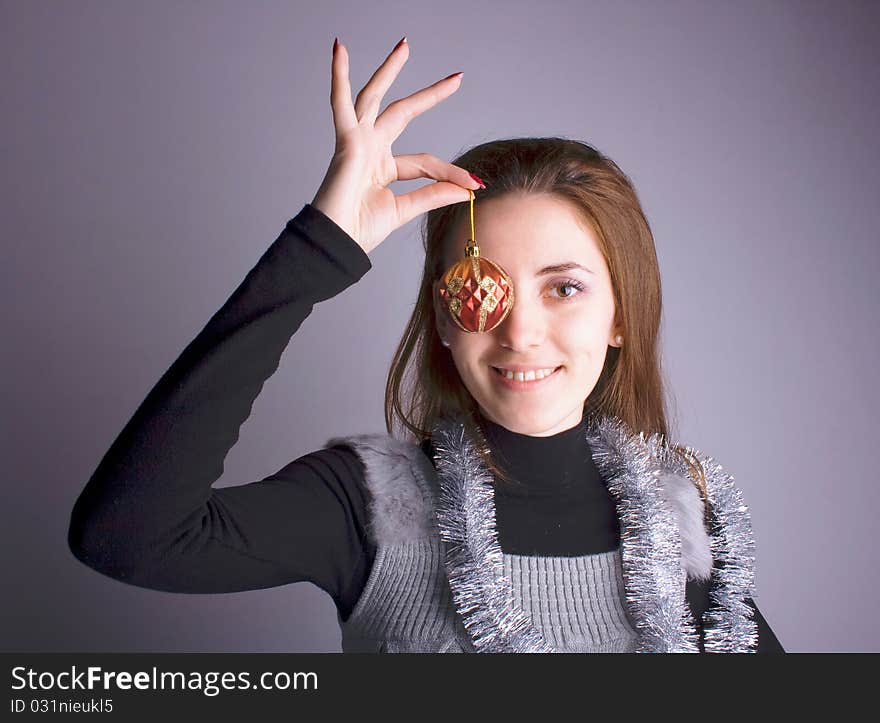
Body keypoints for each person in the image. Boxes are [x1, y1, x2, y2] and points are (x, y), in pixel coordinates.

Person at [68, 36, 784, 653]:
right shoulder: (368, 503)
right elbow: (125, 536)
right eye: (481, 287)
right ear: (443, 318)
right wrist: (318, 248)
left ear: (620, 316)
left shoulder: (684, 526)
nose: (521, 331)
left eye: (564, 288)